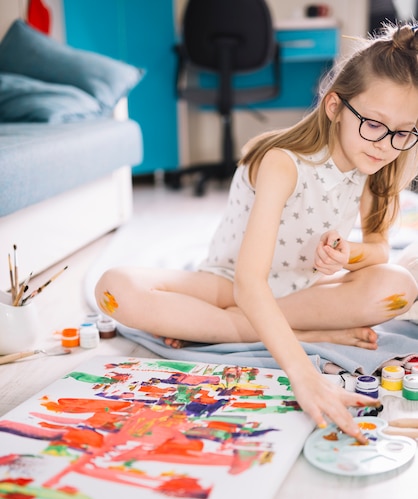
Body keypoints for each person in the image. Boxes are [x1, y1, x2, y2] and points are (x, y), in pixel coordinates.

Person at [95, 23, 418, 443]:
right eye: (374, 124)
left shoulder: (378, 164)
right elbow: (249, 283)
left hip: (301, 293)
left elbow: (377, 249)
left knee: (397, 285)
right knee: (113, 289)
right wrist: (303, 371)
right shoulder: (283, 163)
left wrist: (348, 254)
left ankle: (221, 328)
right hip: (229, 286)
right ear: (335, 105)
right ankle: (293, 331)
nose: (386, 144)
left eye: (405, 132)